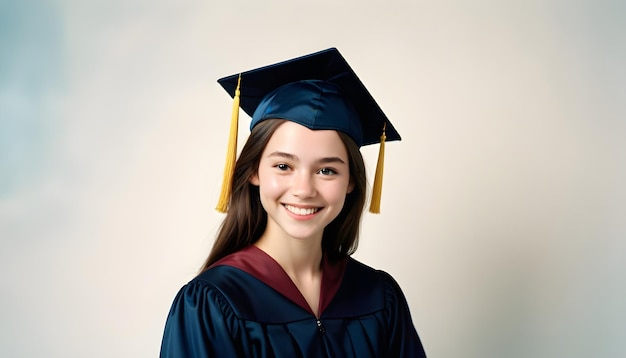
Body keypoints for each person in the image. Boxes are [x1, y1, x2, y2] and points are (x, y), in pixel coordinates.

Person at [160, 48, 427, 357]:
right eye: (283, 166)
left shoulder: (379, 296)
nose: (303, 189)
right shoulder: (212, 302)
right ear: (254, 172)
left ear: (351, 181)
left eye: (327, 170)